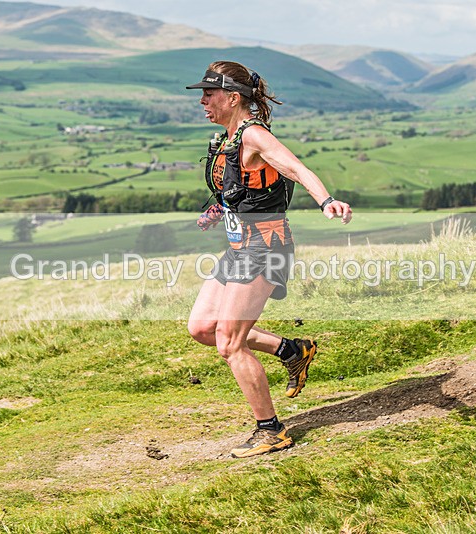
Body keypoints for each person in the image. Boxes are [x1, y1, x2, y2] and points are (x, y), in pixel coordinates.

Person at [185, 61, 352, 458]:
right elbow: (238, 189)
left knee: (229, 342)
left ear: (233, 97)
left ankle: (271, 431)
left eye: (209, 94)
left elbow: (294, 167)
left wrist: (326, 200)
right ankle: (291, 351)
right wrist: (217, 212)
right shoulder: (226, 138)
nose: (203, 101)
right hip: (239, 246)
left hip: (266, 247)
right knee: (202, 327)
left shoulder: (254, 134)